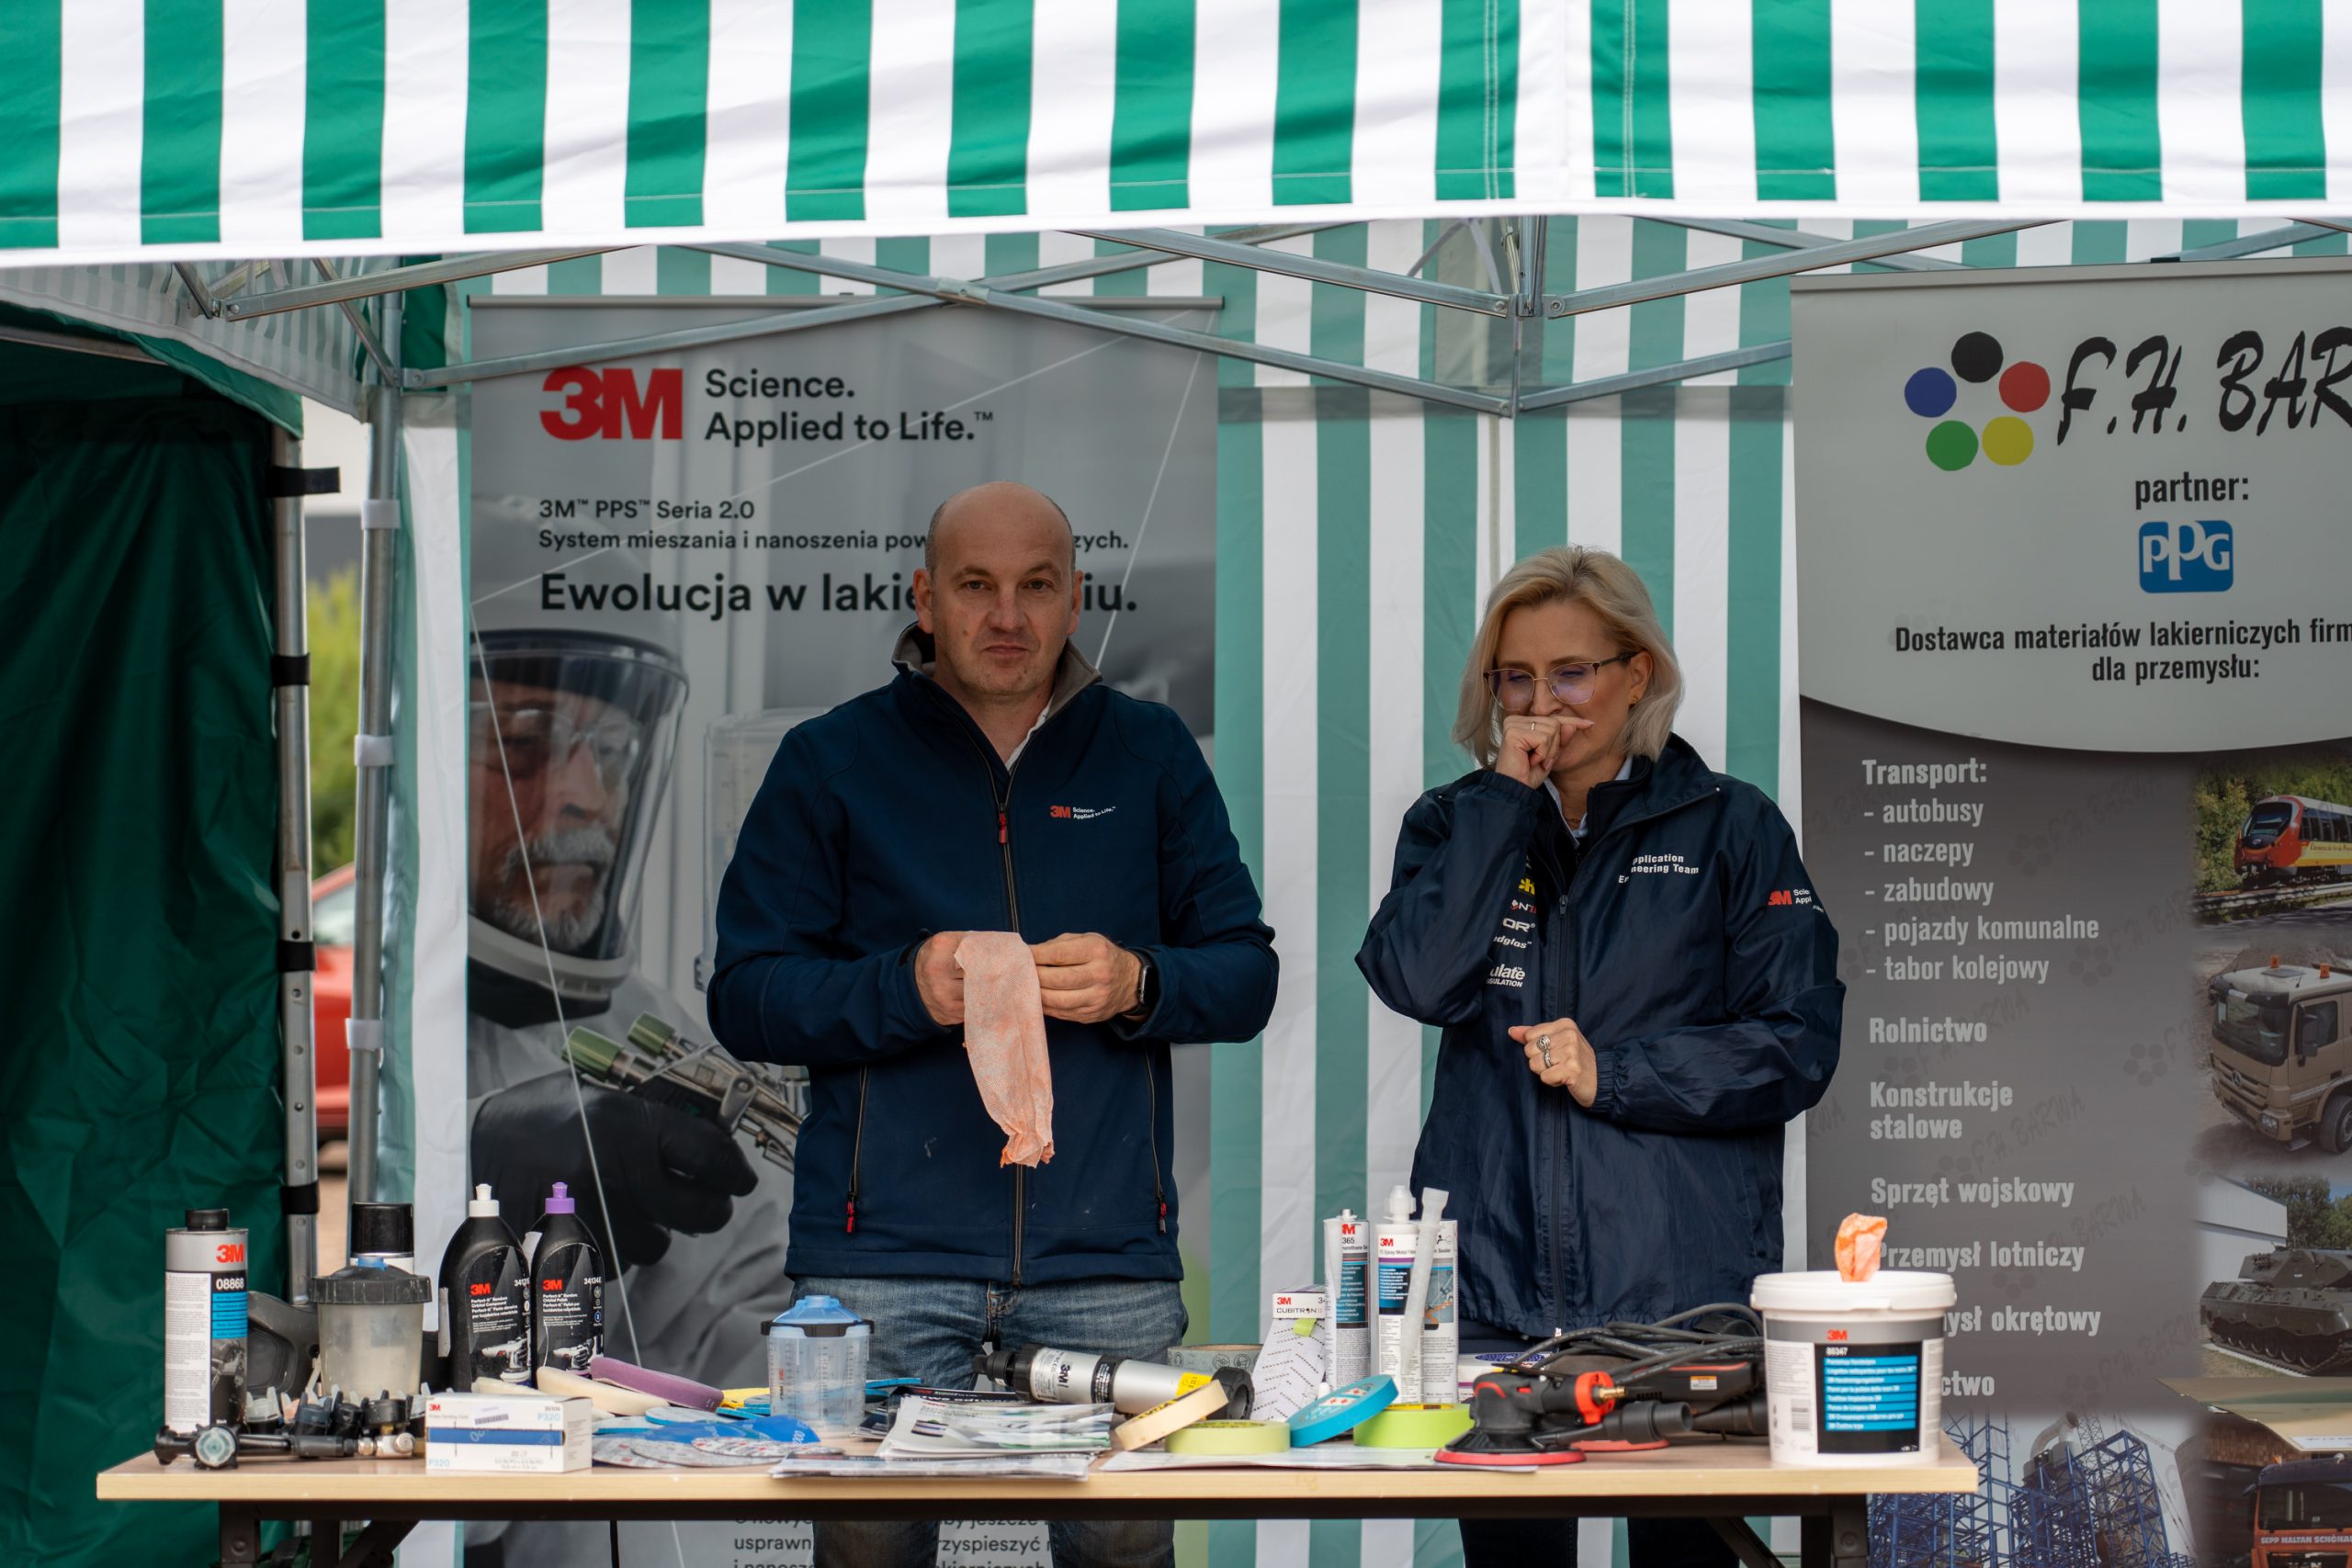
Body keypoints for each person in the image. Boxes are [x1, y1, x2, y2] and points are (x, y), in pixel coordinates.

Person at [708, 479, 1278, 1568]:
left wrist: (1139, 982)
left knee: (1122, 1555)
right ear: (925, 598)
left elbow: (1245, 976)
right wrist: (903, 988)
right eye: (976, 586)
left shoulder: (1150, 753)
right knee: (866, 1554)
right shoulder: (832, 761)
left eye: (1036, 586)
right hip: (879, 1263)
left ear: (1076, 599)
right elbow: (745, 996)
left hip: (1104, 1264)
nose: (1006, 616)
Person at [1356, 547, 1841, 1568]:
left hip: (1681, 1301)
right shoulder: (1453, 821)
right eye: (1516, 677)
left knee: (1687, 1560)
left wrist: (1611, 1072)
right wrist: (1504, 800)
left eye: (1571, 672)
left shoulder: (1734, 825)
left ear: (1636, 674)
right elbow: (1417, 981)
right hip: (1494, 1298)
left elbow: (1797, 1045)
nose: (1542, 703)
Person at [460, 577, 780, 1566]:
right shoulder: (348, 1027)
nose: (585, 797)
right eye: (523, 747)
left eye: (610, 753)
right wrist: (473, 1165)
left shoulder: (651, 1030)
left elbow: (748, 1324)